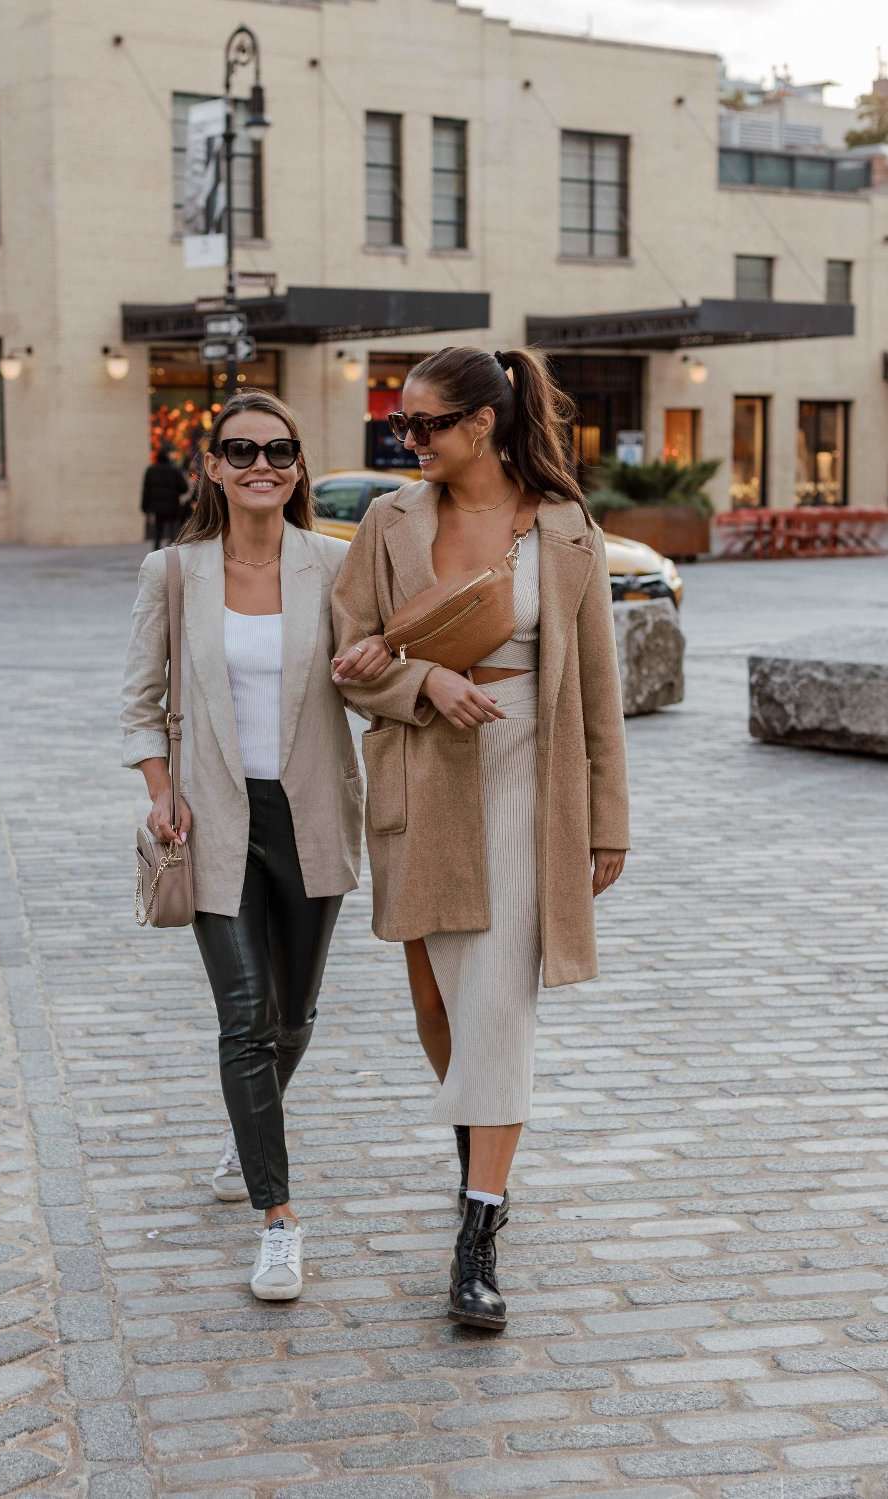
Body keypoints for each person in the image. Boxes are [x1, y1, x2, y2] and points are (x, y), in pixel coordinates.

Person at [331, 346, 630, 1332]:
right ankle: (482, 1150)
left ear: (483, 424)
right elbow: (348, 659)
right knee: (437, 1000)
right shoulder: (387, 521)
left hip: (526, 788)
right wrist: (423, 682)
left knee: (498, 1006)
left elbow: (598, 687)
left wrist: (607, 821)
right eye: (398, 425)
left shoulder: (565, 528)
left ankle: (477, 1231)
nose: (404, 440)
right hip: (422, 783)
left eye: (421, 424)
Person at [122, 391, 387, 1301]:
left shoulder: (334, 564)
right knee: (243, 1015)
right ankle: (279, 1218)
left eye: (278, 449)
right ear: (213, 468)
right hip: (214, 819)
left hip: (311, 810)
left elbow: (365, 684)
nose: (260, 464)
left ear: (299, 465)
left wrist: (383, 670)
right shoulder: (175, 571)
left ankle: (247, 1136)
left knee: (293, 1015)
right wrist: (162, 792)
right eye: (240, 450)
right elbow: (141, 700)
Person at [141, 447, 189, 550]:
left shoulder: (151, 470)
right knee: (172, 531)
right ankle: (172, 551)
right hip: (172, 506)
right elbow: (184, 488)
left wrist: (145, 507)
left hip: (157, 507)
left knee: (158, 531)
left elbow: (146, 490)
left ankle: (156, 552)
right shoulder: (174, 470)